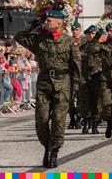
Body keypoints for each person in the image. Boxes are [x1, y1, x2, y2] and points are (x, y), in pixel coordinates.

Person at [14, 9, 81, 168]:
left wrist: (76, 87)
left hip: (62, 83)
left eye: (49, 20)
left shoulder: (69, 42)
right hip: (44, 82)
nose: (46, 22)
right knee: (42, 120)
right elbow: (19, 37)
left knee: (58, 120)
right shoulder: (39, 39)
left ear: (59, 23)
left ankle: (54, 150)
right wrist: (34, 24)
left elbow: (76, 65)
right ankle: (47, 146)